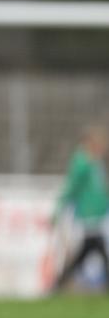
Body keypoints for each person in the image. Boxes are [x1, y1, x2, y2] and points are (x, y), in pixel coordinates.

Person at [52, 124, 109, 292]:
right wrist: (59, 209)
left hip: (98, 214)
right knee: (92, 248)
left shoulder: (95, 163)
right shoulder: (82, 163)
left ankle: (59, 284)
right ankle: (59, 283)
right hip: (88, 214)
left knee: (91, 249)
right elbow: (72, 188)